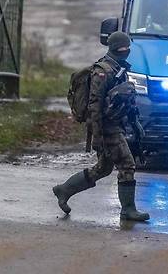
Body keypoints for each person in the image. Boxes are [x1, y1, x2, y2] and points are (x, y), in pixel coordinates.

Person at [52, 32, 150, 221]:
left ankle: (64, 190)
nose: (126, 51)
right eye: (122, 48)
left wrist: (135, 124)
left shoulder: (119, 68)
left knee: (103, 168)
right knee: (127, 165)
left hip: (115, 125)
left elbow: (126, 102)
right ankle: (128, 210)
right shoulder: (102, 71)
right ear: (113, 48)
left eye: (127, 47)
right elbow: (94, 107)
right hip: (107, 128)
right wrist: (97, 136)